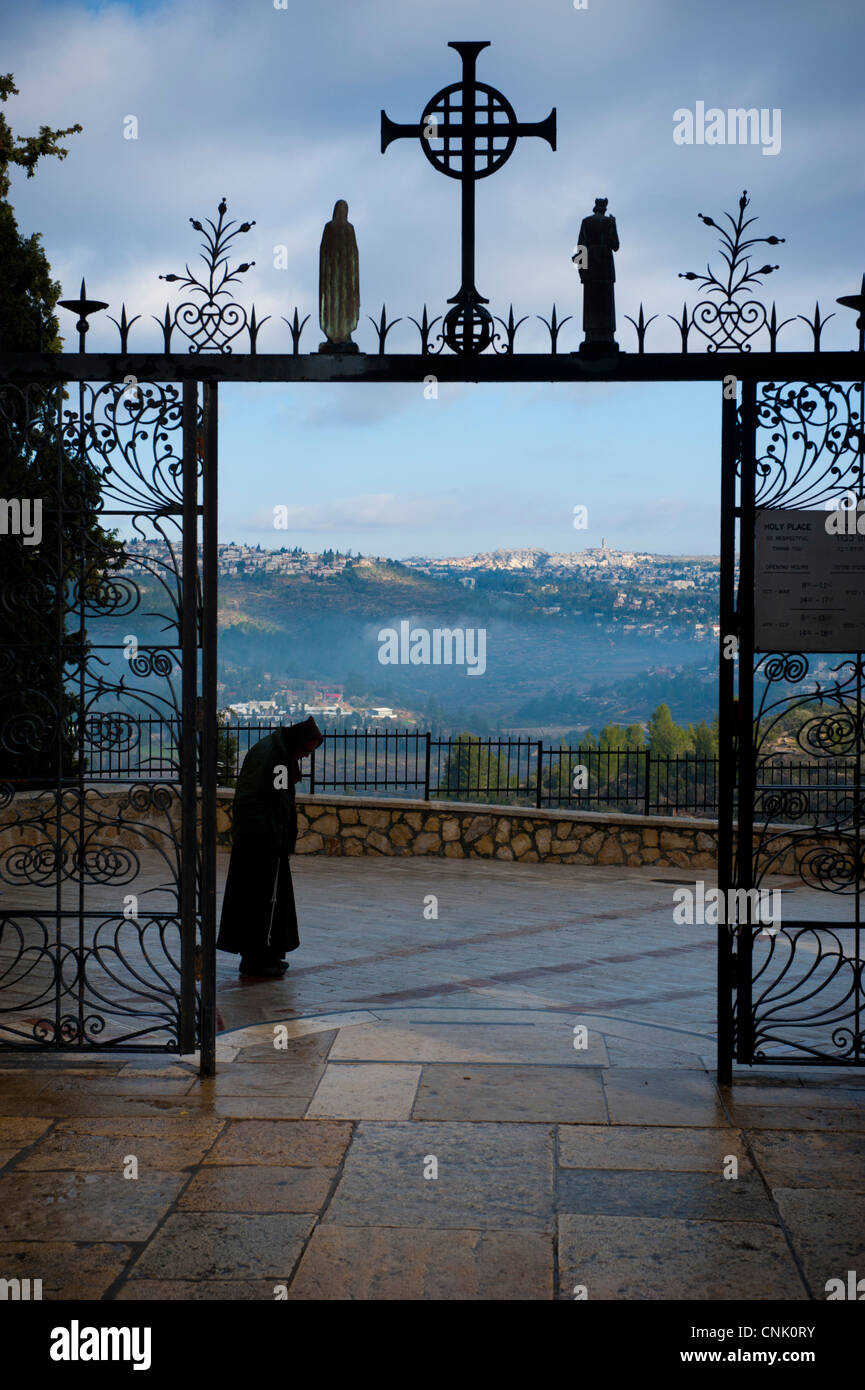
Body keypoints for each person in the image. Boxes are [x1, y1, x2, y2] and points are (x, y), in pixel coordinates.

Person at [217, 716, 324, 977]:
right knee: (259, 901)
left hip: (265, 840)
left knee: (271, 900)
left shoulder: (275, 753)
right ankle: (255, 959)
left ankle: (269, 952)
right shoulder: (275, 758)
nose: (305, 757)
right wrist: (275, 836)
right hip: (261, 842)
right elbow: (273, 801)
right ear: (298, 743)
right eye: (306, 751)